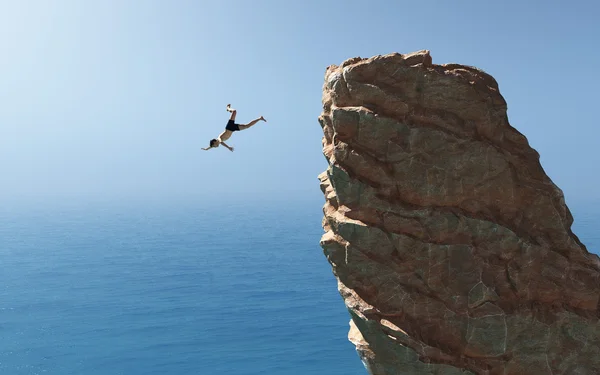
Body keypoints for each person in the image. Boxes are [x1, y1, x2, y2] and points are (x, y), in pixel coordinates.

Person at [202, 104, 266, 152]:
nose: (215, 147)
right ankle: (260, 118)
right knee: (247, 126)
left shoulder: (219, 138)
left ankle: (228, 108)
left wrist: (228, 147)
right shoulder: (216, 142)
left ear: (214, 142)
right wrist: (206, 149)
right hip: (233, 129)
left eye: (214, 146)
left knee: (234, 111)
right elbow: (211, 147)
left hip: (229, 127)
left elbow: (221, 142)